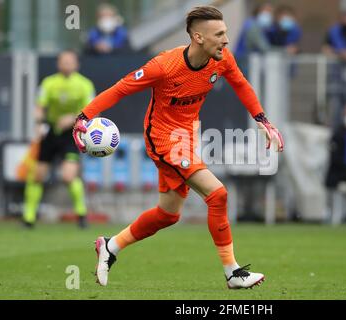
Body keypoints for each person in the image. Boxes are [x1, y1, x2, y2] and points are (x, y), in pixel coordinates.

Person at [72, 6, 284, 289]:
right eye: (219, 34)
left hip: (187, 138)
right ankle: (232, 272)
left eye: (226, 33)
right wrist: (84, 116)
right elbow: (122, 88)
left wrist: (262, 120)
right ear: (198, 37)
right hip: (162, 139)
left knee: (168, 214)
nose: (226, 40)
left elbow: (241, 85)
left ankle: (111, 246)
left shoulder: (221, 59)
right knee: (218, 194)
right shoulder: (164, 65)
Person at [23, 50, 95, 229]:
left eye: (70, 61)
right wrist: (39, 123)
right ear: (58, 64)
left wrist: (72, 118)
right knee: (38, 175)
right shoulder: (49, 83)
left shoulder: (85, 84)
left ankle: (81, 214)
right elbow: (40, 107)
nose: (67, 64)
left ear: (76, 64)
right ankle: (29, 218)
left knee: (69, 175)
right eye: (64, 61)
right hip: (50, 131)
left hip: (72, 134)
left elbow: (93, 111)